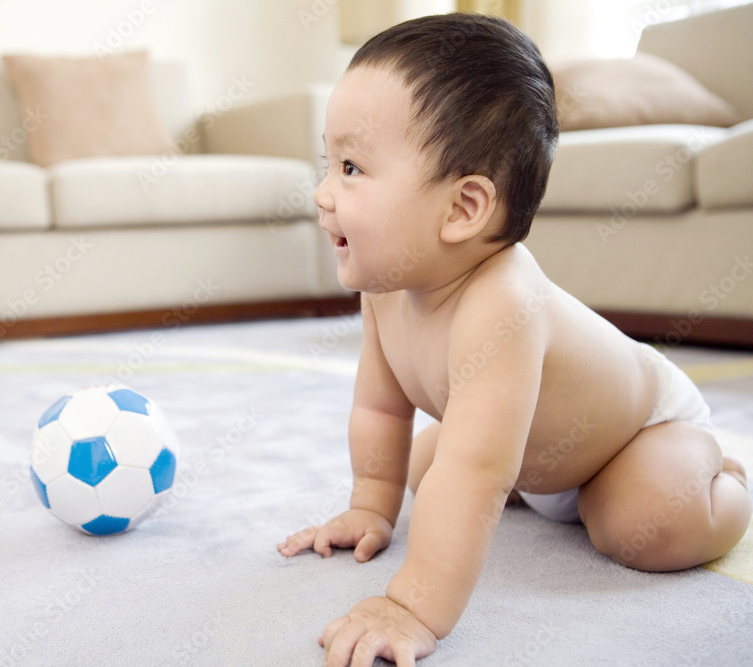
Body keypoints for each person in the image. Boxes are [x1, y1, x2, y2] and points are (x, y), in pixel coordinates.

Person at [276, 13, 752, 666]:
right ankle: (538, 485)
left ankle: (723, 471)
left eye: (352, 168)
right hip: (533, 450)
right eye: (328, 162)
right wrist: (370, 505)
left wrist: (412, 605)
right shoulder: (386, 287)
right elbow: (380, 408)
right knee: (420, 466)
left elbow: (476, 471)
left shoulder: (504, 302)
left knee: (642, 525)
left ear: (464, 208)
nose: (322, 193)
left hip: (632, 435)